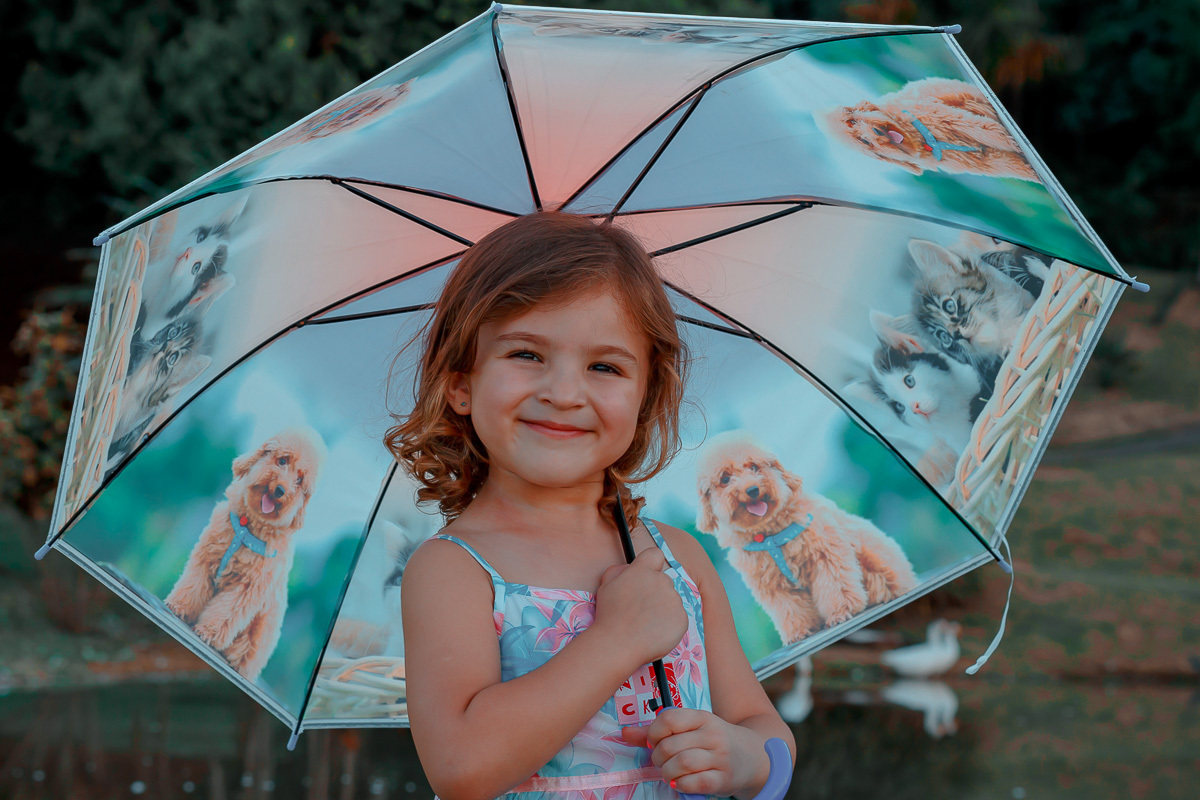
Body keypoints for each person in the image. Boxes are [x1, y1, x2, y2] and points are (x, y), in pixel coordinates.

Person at [389, 211, 794, 800]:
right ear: (461, 383)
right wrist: (617, 639)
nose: (563, 393)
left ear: (645, 397)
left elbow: (764, 728)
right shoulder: (454, 569)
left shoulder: (675, 558)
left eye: (604, 367)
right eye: (526, 354)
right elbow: (462, 767)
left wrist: (746, 758)